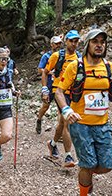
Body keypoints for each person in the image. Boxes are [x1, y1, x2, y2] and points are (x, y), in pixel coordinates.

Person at [55, 29, 112, 196]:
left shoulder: (109, 67)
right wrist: (66, 110)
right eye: (95, 41)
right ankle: (84, 191)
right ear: (88, 45)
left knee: (107, 165)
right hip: (81, 125)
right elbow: (59, 91)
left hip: (102, 124)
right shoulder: (75, 66)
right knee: (87, 164)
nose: (99, 45)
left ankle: (86, 173)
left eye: (102, 42)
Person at [42, 30, 82, 167]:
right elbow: (45, 72)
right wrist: (44, 89)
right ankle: (68, 156)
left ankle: (52, 144)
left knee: (61, 122)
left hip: (74, 93)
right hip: (59, 92)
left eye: (76, 41)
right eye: (71, 40)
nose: (74, 43)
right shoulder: (57, 56)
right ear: (66, 41)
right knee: (67, 122)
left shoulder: (80, 58)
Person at [36, 36, 62, 134]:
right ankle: (39, 119)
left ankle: (59, 133)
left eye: (59, 43)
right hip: (49, 85)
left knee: (61, 109)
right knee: (45, 106)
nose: (58, 45)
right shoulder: (46, 56)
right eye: (56, 43)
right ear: (51, 44)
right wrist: (50, 72)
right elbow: (39, 70)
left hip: (59, 86)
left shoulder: (63, 56)